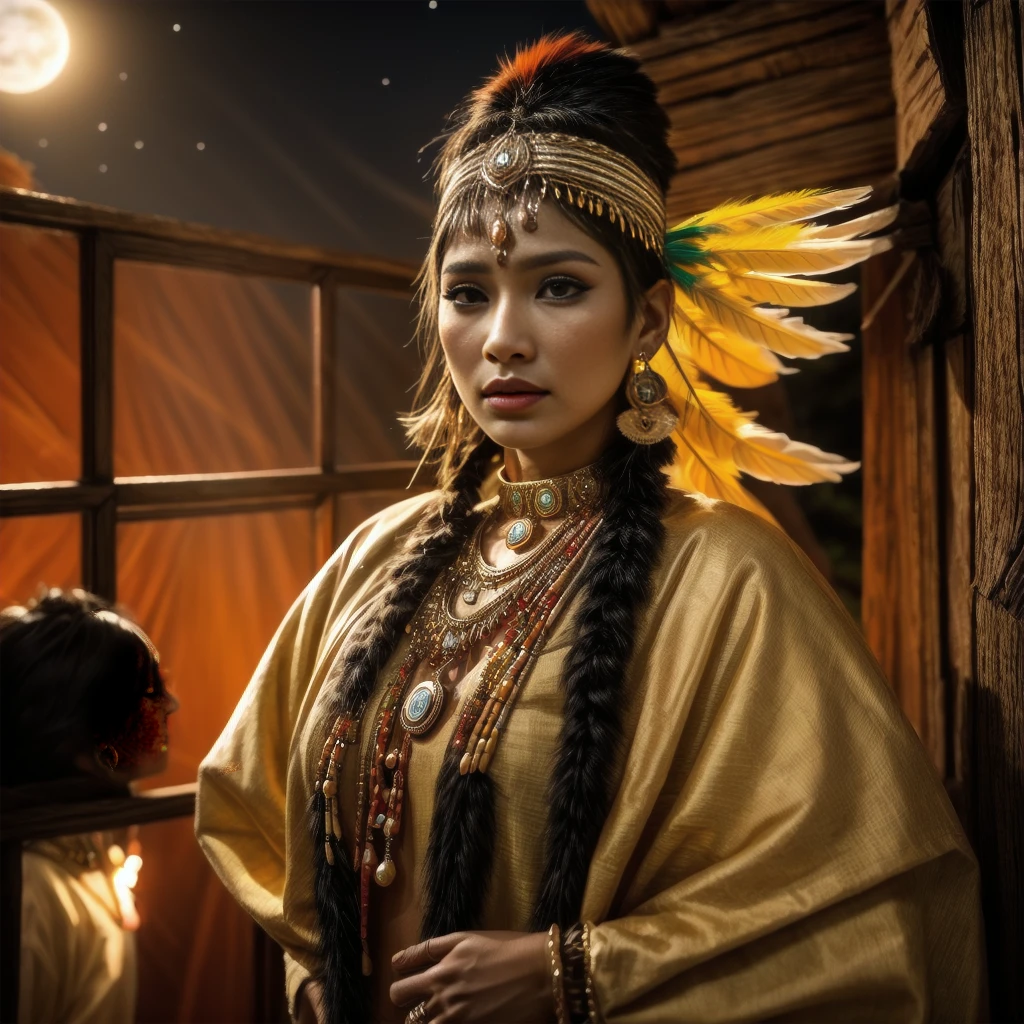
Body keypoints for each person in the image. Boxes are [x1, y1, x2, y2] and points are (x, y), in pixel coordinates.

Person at [196, 34, 982, 1024]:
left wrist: (577, 970)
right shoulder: (377, 556)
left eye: (558, 287)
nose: (503, 338)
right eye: (469, 291)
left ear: (647, 318)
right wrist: (315, 968)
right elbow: (252, 804)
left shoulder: (729, 579)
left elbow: (870, 910)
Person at [1, 587, 179, 1024]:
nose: (170, 706)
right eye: (147, 696)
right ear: (77, 736)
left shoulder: (93, 839)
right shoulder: (30, 892)